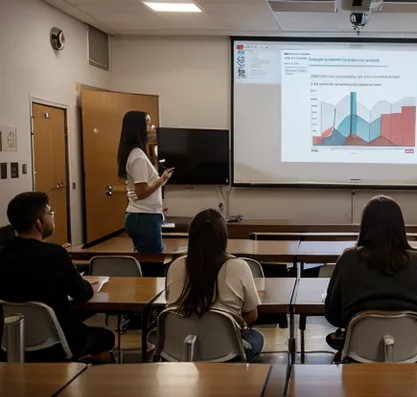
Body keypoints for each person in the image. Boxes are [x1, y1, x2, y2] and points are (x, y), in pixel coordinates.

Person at [324, 195, 417, 362]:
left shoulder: (348, 259)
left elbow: (332, 315)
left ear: (365, 225)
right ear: (400, 226)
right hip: (413, 358)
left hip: (358, 357)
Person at [0, 192, 115, 363]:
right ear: (39, 223)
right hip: (56, 342)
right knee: (106, 337)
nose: (53, 216)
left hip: (11, 343)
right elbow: (84, 294)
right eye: (49, 212)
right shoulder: (55, 254)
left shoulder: (3, 253)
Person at [165, 208, 264, 362]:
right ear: (223, 238)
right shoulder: (238, 266)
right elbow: (252, 316)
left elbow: (170, 304)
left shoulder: (175, 266)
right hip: (225, 354)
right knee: (255, 338)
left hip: (179, 350)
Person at [117, 111, 174, 255]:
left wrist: (163, 179)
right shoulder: (138, 157)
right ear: (138, 128)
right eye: (148, 123)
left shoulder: (138, 153)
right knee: (152, 264)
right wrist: (161, 180)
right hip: (144, 218)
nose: (153, 126)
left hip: (143, 217)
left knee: (147, 259)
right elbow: (141, 192)